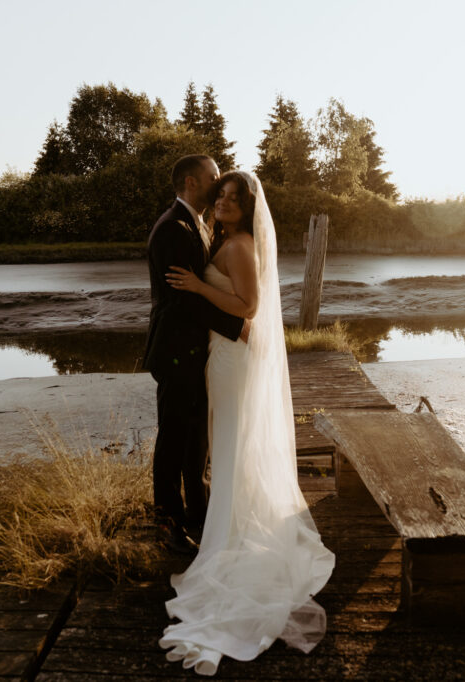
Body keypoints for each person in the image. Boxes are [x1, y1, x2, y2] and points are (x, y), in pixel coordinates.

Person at [159, 171, 335, 675]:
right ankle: (229, 529)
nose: (225, 203)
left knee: (232, 448)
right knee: (229, 447)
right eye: (222, 197)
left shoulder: (238, 247)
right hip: (223, 357)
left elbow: (250, 307)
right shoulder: (225, 240)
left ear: (247, 207)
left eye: (235, 199)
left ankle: (232, 542)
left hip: (233, 359)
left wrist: (194, 285)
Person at [143, 154, 249, 555]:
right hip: (175, 352)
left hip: (194, 351)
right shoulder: (173, 229)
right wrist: (238, 328)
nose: (217, 184)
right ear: (191, 182)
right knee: (173, 440)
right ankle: (167, 525)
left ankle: (199, 514)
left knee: (195, 441)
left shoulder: (197, 224)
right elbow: (181, 300)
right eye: (213, 178)